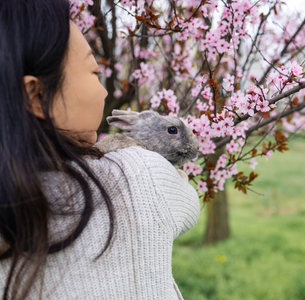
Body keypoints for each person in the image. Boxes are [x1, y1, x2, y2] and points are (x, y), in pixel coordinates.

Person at [0, 0, 200, 299]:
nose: (106, 91)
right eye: (95, 72)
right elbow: (188, 204)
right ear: (38, 95)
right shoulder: (136, 173)